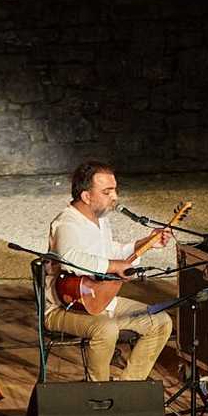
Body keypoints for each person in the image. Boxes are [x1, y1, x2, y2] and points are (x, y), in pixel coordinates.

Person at [43, 161, 175, 381]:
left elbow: (112, 251)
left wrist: (146, 243)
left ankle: (128, 387)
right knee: (106, 329)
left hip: (101, 301)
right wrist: (114, 266)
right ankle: (100, 392)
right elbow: (69, 259)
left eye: (115, 190)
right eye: (107, 192)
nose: (115, 197)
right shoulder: (67, 223)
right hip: (65, 308)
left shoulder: (100, 220)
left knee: (160, 322)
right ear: (86, 196)